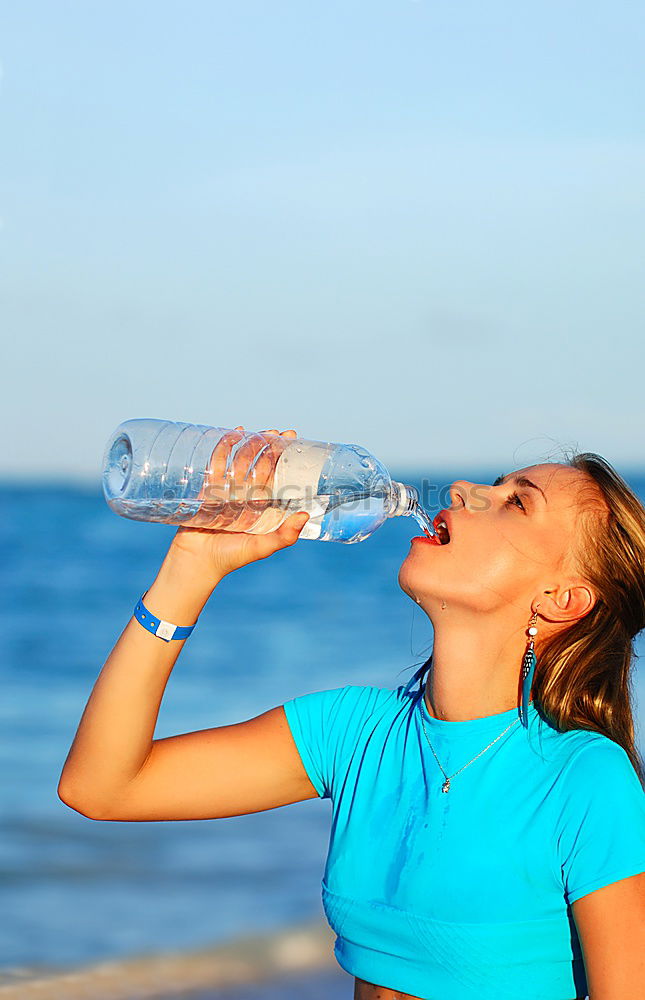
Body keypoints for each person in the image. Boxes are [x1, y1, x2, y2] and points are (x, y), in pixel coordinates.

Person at [58, 427, 645, 1000]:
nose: (465, 489)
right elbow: (103, 788)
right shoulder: (353, 732)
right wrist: (192, 565)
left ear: (560, 599)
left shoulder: (585, 780)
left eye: (517, 503)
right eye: (496, 484)